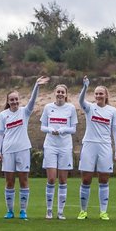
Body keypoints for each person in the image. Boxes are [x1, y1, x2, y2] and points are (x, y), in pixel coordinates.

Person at [0, 77, 49, 219]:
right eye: (11, 99)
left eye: (16, 99)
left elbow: (32, 100)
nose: (14, 102)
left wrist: (36, 85)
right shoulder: (3, 115)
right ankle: (10, 211)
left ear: (19, 100)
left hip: (23, 149)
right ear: (8, 101)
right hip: (8, 150)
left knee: (24, 180)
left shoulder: (25, 112)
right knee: (10, 181)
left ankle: (23, 211)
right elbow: (0, 135)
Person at [76, 77, 116, 220]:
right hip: (89, 145)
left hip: (105, 146)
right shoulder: (90, 108)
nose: (98, 96)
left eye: (101, 93)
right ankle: (83, 211)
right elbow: (80, 101)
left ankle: (103, 212)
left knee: (103, 179)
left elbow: (115, 131)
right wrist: (85, 87)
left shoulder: (112, 110)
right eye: (96, 94)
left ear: (106, 95)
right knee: (86, 179)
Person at [38, 83, 78, 220]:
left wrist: (62, 130)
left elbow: (73, 129)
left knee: (62, 179)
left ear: (66, 94)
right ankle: (49, 210)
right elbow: (42, 127)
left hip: (65, 146)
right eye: (58, 92)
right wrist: (50, 130)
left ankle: (60, 212)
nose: (60, 94)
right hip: (50, 145)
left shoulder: (71, 108)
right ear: (55, 93)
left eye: (62, 92)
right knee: (51, 178)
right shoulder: (48, 107)